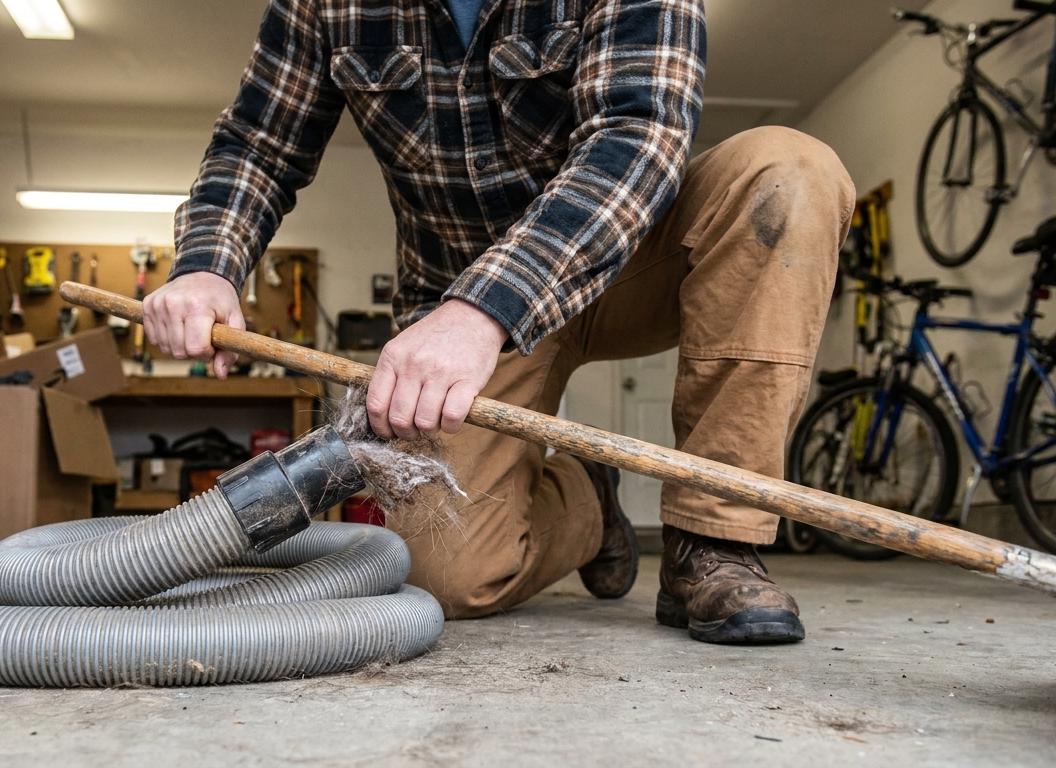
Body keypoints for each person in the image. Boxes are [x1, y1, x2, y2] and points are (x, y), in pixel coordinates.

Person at [144, 0, 854, 644]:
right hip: (451, 298)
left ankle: (716, 540)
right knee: (447, 576)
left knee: (789, 172)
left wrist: (486, 305)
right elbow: (257, 145)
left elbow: (639, 135)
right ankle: (585, 496)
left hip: (622, 261)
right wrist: (208, 264)